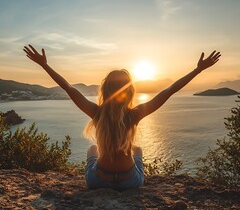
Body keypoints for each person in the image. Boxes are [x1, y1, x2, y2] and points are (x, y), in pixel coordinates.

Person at [23, 45, 221, 190]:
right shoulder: (134, 115)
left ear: (105, 90)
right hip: (130, 182)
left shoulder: (96, 112)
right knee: (138, 149)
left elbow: (68, 88)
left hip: (98, 181)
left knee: (93, 148)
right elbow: (168, 91)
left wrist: (45, 66)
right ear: (130, 91)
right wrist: (198, 70)